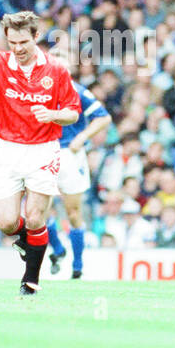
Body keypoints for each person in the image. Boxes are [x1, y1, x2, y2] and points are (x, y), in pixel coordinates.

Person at [0, 11, 80, 296]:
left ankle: (31, 280)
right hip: (8, 150)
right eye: (12, 42)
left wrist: (53, 114)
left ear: (36, 37)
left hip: (43, 150)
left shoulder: (56, 70)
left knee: (36, 217)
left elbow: (72, 113)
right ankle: (31, 241)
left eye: (24, 41)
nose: (18, 48)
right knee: (6, 222)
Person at [45, 45, 113, 279]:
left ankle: (78, 265)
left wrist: (82, 137)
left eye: (64, 59)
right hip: (43, 152)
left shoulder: (78, 90)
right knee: (37, 211)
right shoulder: (39, 89)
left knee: (73, 211)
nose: (60, 63)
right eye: (56, 58)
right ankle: (58, 249)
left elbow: (103, 117)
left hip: (69, 155)